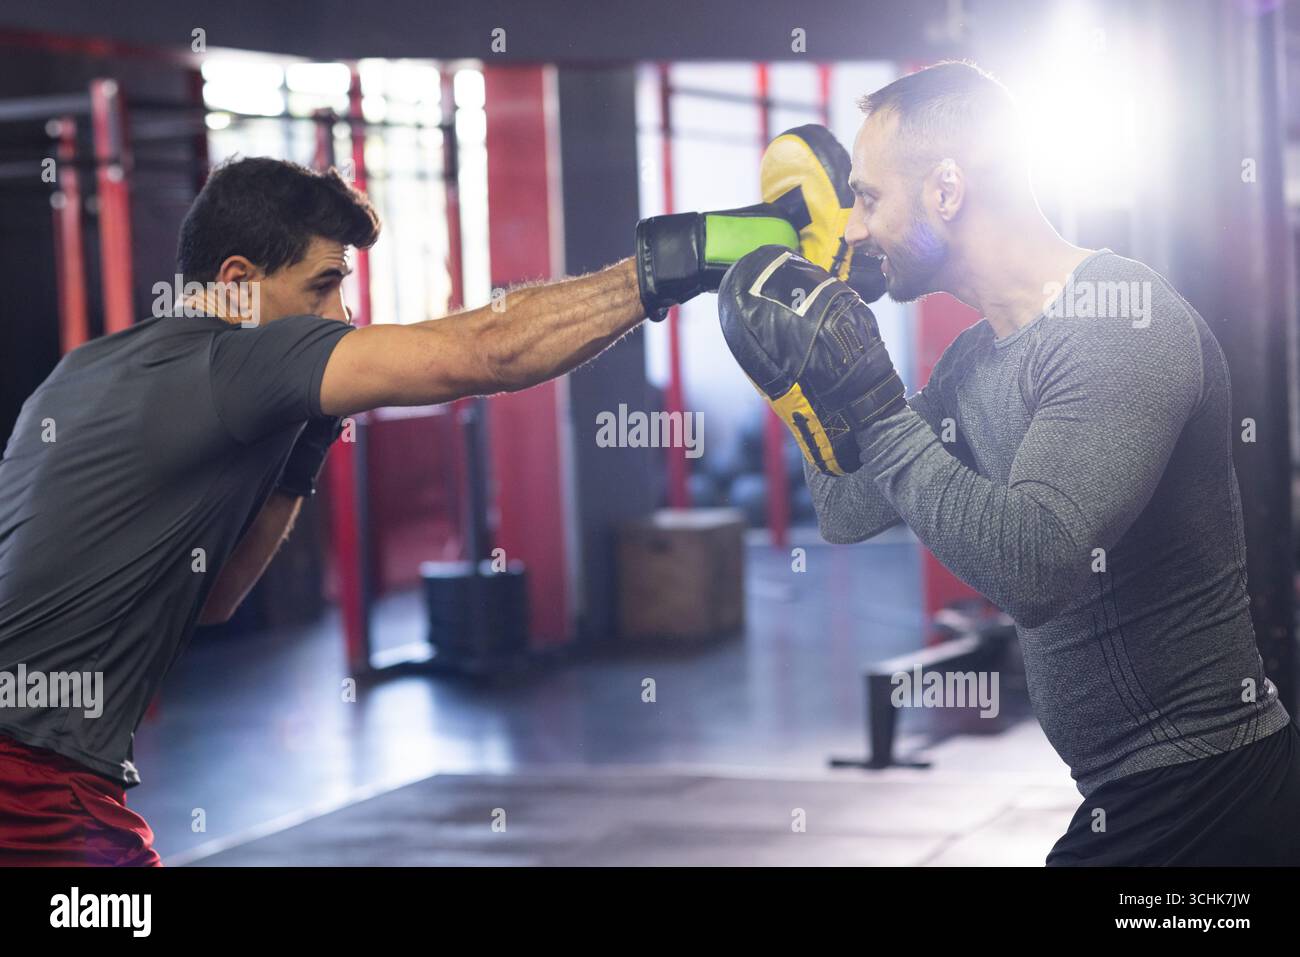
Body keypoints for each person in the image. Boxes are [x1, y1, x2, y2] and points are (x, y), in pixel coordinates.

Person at [0, 152, 828, 865]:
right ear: (238, 287)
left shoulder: (86, 371)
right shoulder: (235, 363)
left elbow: (213, 598)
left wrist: (302, 451)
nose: (341, 316)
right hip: (31, 785)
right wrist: (695, 254)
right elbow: (488, 350)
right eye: (322, 287)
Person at [718, 60, 1300, 865]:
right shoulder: (973, 362)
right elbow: (849, 510)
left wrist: (876, 403)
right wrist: (800, 384)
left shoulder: (1119, 323)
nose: (852, 229)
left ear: (946, 191)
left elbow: (1037, 565)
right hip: (1133, 795)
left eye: (869, 198)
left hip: (1206, 795)